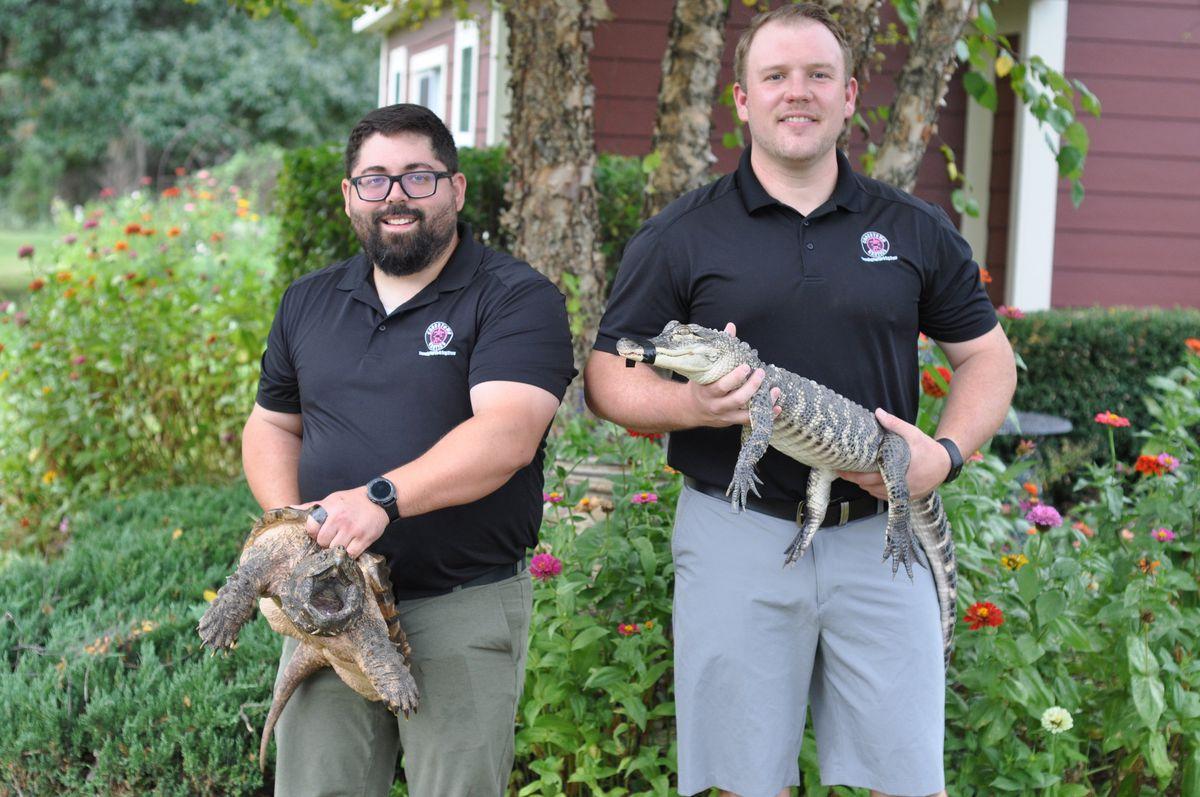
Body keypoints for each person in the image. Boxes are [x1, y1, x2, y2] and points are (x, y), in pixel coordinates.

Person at [584, 5, 1016, 797]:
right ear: (742, 100)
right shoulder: (681, 233)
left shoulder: (913, 227)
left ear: (850, 96)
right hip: (734, 529)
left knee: (907, 780)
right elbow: (608, 376)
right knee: (740, 782)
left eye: (819, 76)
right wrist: (697, 408)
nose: (798, 93)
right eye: (775, 76)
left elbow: (988, 357)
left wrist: (944, 454)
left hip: (879, 539)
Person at [242, 103, 575, 797]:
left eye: (417, 177)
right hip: (328, 598)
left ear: (455, 189)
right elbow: (273, 424)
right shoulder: (308, 301)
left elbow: (507, 433)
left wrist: (379, 500)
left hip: (459, 600)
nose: (394, 194)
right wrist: (288, 517)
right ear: (348, 196)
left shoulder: (516, 298)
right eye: (374, 179)